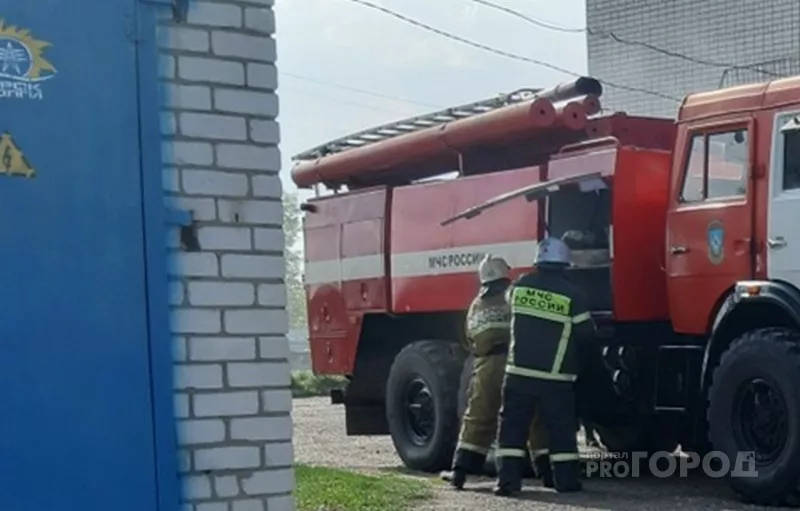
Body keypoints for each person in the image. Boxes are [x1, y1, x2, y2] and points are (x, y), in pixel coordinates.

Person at [493, 237, 597, 496]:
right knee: (561, 431)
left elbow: (510, 304)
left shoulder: (519, 287)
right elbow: (586, 336)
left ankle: (507, 482)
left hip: (517, 374)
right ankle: (566, 482)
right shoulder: (573, 294)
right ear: (565, 264)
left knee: (512, 430)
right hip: (556, 378)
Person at [441, 255, 550, 490]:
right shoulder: (514, 296)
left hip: (487, 365)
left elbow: (470, 338)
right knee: (533, 416)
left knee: (478, 416)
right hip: (517, 361)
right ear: (505, 274)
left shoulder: (476, 305)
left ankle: (460, 473)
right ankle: (547, 472)